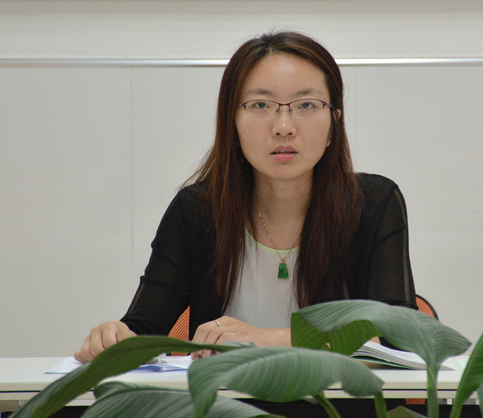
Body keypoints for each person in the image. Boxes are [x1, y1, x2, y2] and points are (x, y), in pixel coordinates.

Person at [74, 31, 416, 363]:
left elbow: (402, 335)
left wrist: (271, 338)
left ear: (334, 124)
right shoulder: (197, 211)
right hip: (224, 395)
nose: (284, 126)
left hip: (339, 396)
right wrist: (115, 337)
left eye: (306, 105)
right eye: (261, 105)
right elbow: (145, 331)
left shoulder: (373, 204)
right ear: (232, 122)